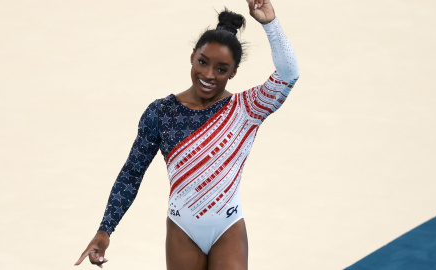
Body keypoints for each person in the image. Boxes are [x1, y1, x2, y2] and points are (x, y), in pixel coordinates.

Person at [75, 0, 299, 269]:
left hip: (227, 227)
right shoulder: (160, 112)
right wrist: (105, 230)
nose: (208, 75)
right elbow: (132, 173)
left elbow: (289, 74)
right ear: (192, 56)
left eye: (221, 69)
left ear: (234, 72)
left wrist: (270, 24)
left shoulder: (247, 108)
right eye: (203, 62)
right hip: (183, 229)